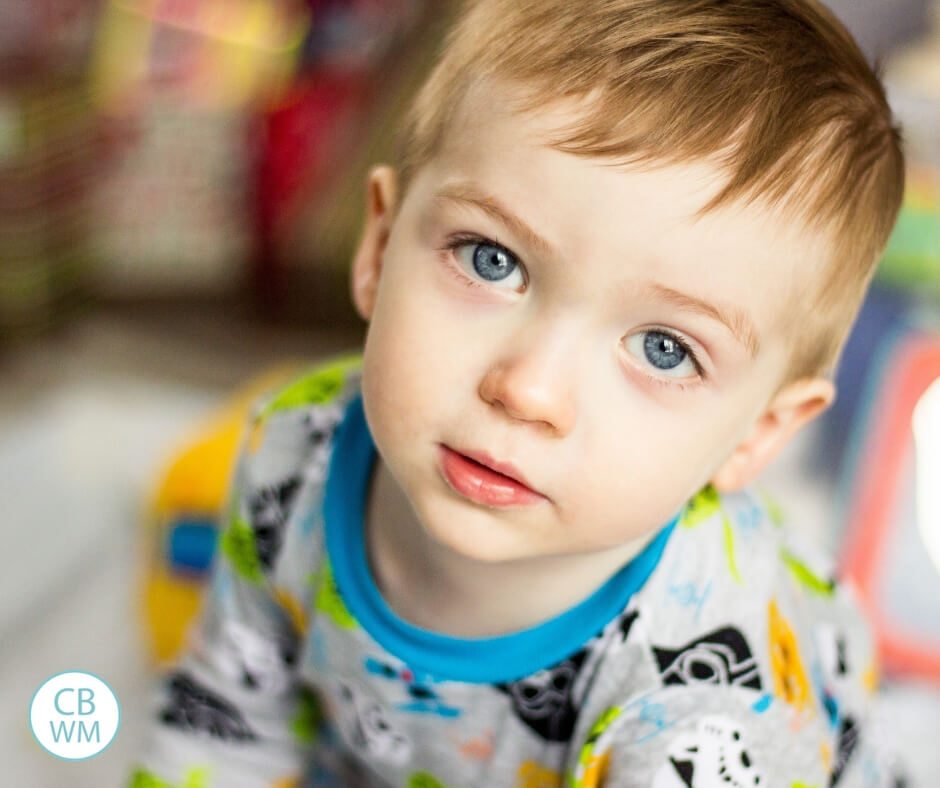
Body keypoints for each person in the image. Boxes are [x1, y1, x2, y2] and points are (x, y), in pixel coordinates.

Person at [129, 0, 908, 785]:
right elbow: (223, 723)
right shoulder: (292, 453)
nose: (529, 390)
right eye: (491, 260)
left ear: (758, 434)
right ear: (378, 244)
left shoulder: (711, 693)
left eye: (665, 349)